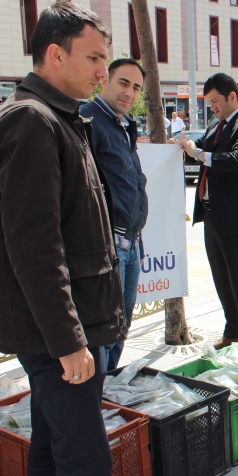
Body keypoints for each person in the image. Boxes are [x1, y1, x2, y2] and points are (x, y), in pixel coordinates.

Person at [0, 2, 124, 476]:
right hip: (54, 336)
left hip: (63, 329)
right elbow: (35, 249)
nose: (101, 73)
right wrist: (68, 342)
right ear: (54, 54)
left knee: (52, 453)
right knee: (88, 467)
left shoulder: (61, 118)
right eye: (93, 58)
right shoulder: (31, 121)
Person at [173, 73, 238, 348]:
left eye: (215, 101)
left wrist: (199, 154)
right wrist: (180, 145)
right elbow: (198, 144)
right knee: (222, 279)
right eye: (208, 102)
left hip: (237, 217)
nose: (211, 106)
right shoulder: (217, 126)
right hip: (211, 213)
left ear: (232, 97)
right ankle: (233, 331)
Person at [80, 58, 149, 370]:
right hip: (109, 245)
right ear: (105, 79)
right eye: (123, 83)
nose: (129, 93)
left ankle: (108, 393)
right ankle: (99, 400)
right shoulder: (87, 120)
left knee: (121, 327)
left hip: (131, 243)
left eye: (136, 87)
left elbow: (130, 183)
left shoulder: (122, 125)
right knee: (105, 330)